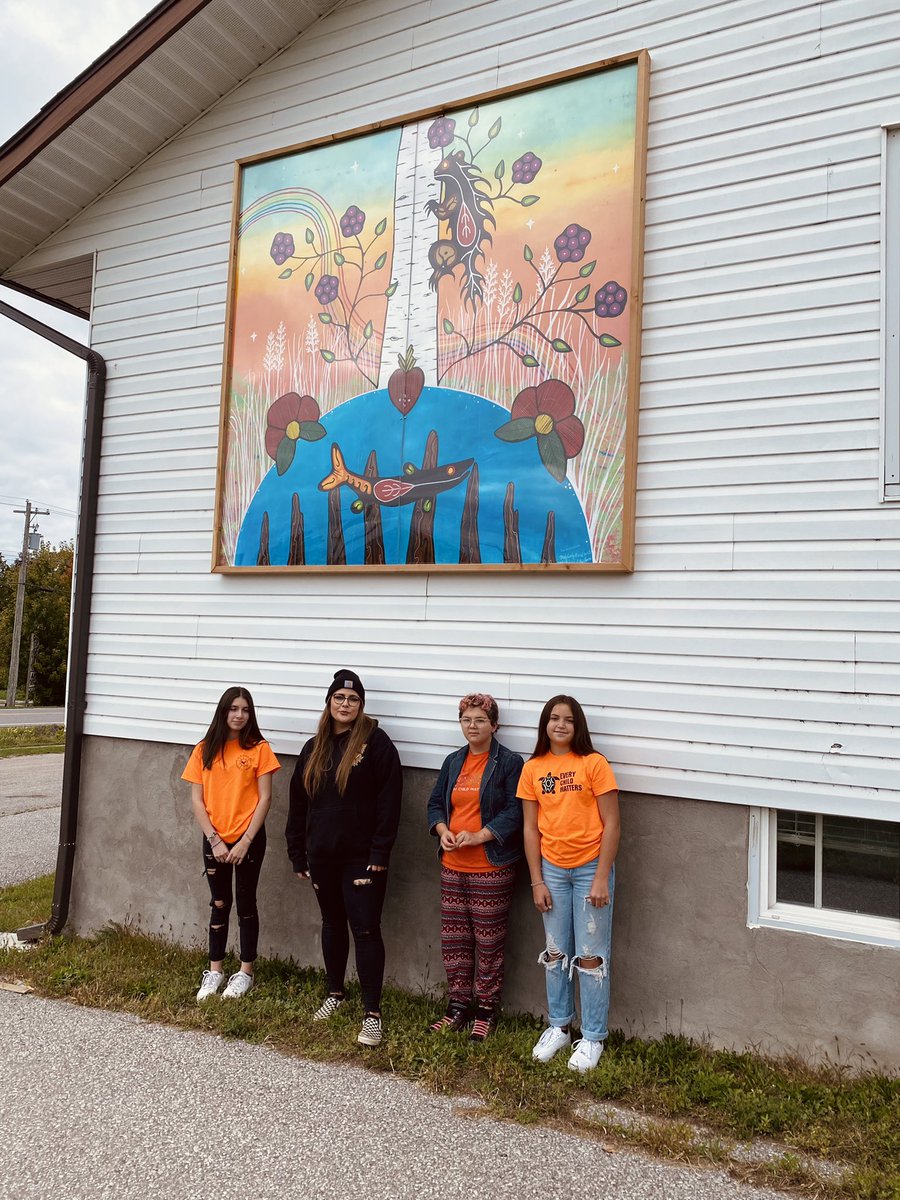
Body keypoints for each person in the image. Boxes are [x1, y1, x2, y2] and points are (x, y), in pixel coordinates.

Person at [286, 670, 402, 1048]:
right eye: (339, 698)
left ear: (361, 705)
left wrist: (380, 851)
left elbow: (390, 802)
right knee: (332, 923)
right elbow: (299, 803)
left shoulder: (377, 744)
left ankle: (373, 1014)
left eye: (352, 700)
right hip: (322, 855)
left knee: (365, 929)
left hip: (362, 858)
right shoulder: (313, 747)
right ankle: (335, 993)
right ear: (329, 703)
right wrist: (296, 850)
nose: (346, 705)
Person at [517, 694, 620, 1073]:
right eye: (554, 718)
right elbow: (530, 829)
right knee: (556, 953)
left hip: (590, 868)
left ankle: (592, 1037)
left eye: (569, 720)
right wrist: (536, 882)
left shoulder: (594, 764)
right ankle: (559, 1026)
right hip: (552, 872)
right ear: (545, 725)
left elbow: (612, 823)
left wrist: (600, 877)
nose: (560, 725)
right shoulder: (533, 769)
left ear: (578, 727)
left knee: (591, 957)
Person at [426, 693, 523, 1040]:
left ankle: (485, 1010)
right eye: (466, 719)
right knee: (455, 941)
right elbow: (436, 803)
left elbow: (515, 810)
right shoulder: (453, 761)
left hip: (490, 866)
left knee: (488, 941)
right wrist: (443, 831)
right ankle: (457, 1008)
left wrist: (480, 835)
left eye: (480, 720)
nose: (472, 726)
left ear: (494, 725)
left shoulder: (509, 763)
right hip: (453, 865)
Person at [183, 686, 280, 1001]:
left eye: (246, 710)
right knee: (219, 903)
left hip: (248, 839)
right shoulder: (204, 750)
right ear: (223, 711)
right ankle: (215, 971)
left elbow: (265, 798)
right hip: (215, 839)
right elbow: (197, 801)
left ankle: (245, 972)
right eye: (234, 709)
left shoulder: (259, 749)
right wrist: (215, 840)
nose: (239, 715)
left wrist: (246, 841)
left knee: (246, 903)